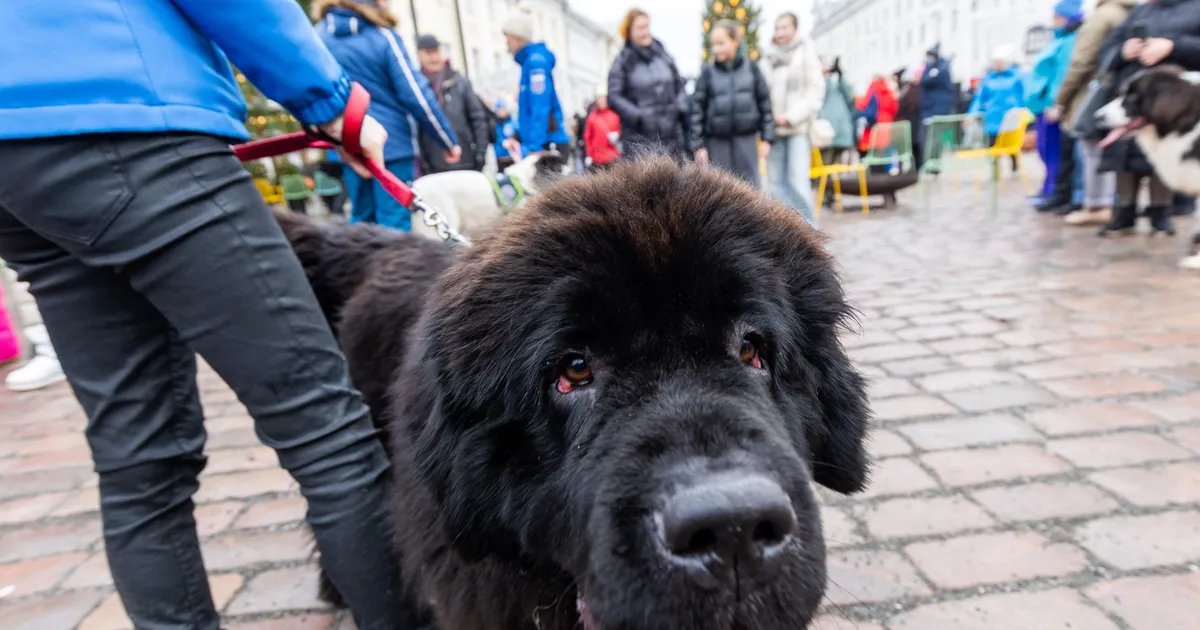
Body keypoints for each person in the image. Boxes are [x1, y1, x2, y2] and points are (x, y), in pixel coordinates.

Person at [0, 1, 424, 629]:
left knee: (138, 457)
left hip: (13, 160)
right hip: (125, 111)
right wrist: (334, 102)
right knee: (327, 433)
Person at [315, 0, 462, 230]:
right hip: (391, 143)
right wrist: (446, 139)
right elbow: (415, 94)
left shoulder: (318, 37)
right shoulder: (382, 35)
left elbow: (313, 94)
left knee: (362, 221)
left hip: (347, 144)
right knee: (394, 222)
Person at [1096, 0, 1200, 237]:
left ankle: (1160, 212)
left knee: (1172, 159)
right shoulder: (1140, 10)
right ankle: (1124, 211)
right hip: (1131, 99)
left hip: (1181, 108)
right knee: (1124, 156)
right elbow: (1107, 48)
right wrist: (1123, 50)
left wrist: (1173, 47)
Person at [1048, 0, 1136, 227]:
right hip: (1122, 91)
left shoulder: (1102, 17)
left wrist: (1061, 101)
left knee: (1092, 148)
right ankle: (1112, 203)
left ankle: (1097, 205)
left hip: (1095, 92)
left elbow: (1081, 63)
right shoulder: (1132, 12)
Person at [691, 20, 775, 185]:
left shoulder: (751, 69)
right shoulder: (707, 73)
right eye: (714, 45)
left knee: (749, 187)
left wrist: (767, 137)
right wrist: (698, 145)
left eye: (721, 43)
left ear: (735, 42)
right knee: (721, 187)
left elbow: (765, 103)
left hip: (746, 141)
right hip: (717, 143)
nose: (716, 49)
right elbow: (697, 110)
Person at [761, 12, 824, 223]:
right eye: (777, 28)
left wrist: (790, 116)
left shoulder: (805, 52)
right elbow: (762, 93)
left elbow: (815, 90)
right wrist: (768, 119)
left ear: (795, 28)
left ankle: (810, 230)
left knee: (798, 182)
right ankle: (784, 231)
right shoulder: (767, 58)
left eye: (785, 27)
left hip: (797, 128)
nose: (780, 32)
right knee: (775, 186)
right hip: (773, 130)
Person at [607, 9, 693, 159]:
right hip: (640, 139)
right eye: (640, 28)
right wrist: (638, 116)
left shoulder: (663, 56)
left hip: (672, 135)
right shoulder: (623, 61)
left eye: (647, 26)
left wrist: (679, 107)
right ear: (629, 32)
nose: (645, 32)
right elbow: (614, 97)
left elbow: (679, 84)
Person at [1028, 0, 1084, 214]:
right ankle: (1049, 188)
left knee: (1055, 153)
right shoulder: (1060, 40)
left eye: (1057, 17)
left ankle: (1055, 191)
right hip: (1044, 105)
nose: (1053, 21)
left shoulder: (1069, 42)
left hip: (1052, 106)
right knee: (1047, 150)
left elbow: (1062, 75)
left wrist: (1057, 103)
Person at [501, 7, 571, 159]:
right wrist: (518, 136)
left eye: (508, 37)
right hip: (542, 142)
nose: (506, 42)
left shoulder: (535, 64)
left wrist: (535, 146)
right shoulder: (529, 63)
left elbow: (540, 106)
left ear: (518, 37)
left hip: (547, 143)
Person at [416, 34, 490, 174]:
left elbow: (478, 119)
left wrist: (480, 153)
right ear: (419, 55)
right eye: (428, 53)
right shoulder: (417, 88)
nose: (434, 58)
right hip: (433, 166)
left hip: (465, 160)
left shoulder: (459, 82)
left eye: (436, 51)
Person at [968, 47, 1026, 174]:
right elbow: (979, 98)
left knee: (1011, 145)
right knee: (993, 146)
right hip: (993, 119)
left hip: (1011, 117)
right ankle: (995, 171)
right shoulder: (988, 79)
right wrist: (971, 114)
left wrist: (1026, 112)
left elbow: (1023, 96)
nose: (998, 65)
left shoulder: (1016, 77)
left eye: (1000, 62)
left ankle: (1014, 163)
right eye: (996, 62)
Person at [821, 58, 858, 167]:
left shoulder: (836, 85)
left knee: (832, 162)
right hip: (828, 131)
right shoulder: (826, 84)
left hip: (837, 130)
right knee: (827, 162)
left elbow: (850, 96)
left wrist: (840, 76)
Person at [857, 74, 899, 156]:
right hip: (887, 125)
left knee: (869, 150)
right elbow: (895, 108)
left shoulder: (873, 88)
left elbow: (865, 103)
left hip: (874, 126)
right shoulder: (888, 90)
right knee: (884, 150)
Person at [584, 85, 622, 171]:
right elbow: (588, 137)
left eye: (603, 98)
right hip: (597, 158)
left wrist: (618, 135)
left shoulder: (615, 115)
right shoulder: (592, 117)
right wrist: (589, 155)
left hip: (613, 156)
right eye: (599, 98)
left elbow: (622, 130)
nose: (601, 101)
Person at [494, 99, 519, 170]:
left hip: (512, 156)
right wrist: (502, 141)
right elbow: (495, 136)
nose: (501, 112)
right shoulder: (495, 123)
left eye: (502, 109)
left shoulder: (513, 121)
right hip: (500, 156)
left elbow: (518, 134)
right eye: (499, 110)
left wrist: (512, 141)